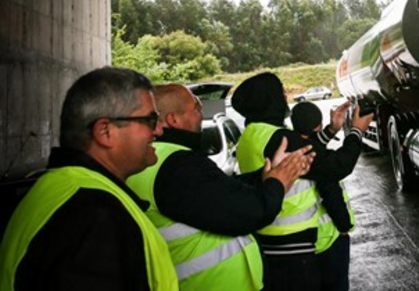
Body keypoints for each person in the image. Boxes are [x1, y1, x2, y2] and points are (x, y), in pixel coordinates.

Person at [0, 67, 178, 290]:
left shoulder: (64, 190)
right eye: (151, 120)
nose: (159, 130)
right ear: (105, 131)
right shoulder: (93, 216)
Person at [126, 84, 314, 290]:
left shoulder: (156, 160)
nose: (202, 114)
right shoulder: (177, 164)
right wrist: (279, 181)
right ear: (173, 119)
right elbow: (250, 212)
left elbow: (220, 191)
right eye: (197, 108)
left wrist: (265, 176)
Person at [231, 72, 373, 291]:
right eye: (280, 91)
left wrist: (331, 130)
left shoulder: (251, 136)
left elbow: (308, 153)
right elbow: (336, 165)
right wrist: (356, 130)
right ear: (269, 99)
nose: (285, 95)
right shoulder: (279, 138)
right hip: (294, 249)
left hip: (270, 242)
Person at [292, 102, 356, 291]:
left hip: (301, 244)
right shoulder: (319, 161)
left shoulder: (294, 148)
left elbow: (313, 144)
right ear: (318, 125)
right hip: (329, 240)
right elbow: (331, 195)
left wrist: (332, 130)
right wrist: (344, 226)